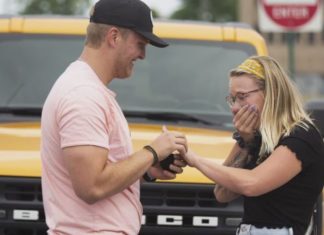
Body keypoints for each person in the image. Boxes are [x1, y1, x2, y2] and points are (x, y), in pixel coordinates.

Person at [40, 0, 187, 234]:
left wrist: (147, 170)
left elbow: (101, 175)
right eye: (140, 44)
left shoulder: (88, 89)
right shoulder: (83, 95)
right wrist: (151, 152)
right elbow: (92, 187)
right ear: (114, 37)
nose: (143, 55)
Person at [183, 55, 324, 235]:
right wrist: (248, 143)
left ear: (271, 93)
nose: (235, 107)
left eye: (242, 97)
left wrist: (195, 159)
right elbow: (222, 193)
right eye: (232, 99)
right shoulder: (254, 137)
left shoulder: (301, 135)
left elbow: (252, 184)